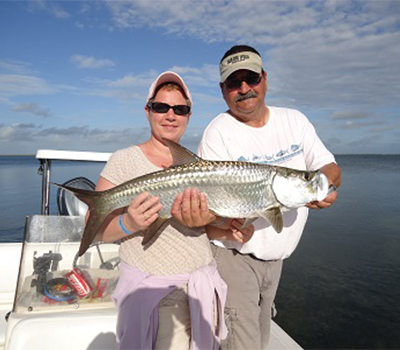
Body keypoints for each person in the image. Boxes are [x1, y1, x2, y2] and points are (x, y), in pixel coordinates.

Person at [175, 45, 341, 350]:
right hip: (235, 258)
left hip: (276, 262)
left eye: (250, 78)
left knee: (262, 339)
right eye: (233, 83)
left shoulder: (295, 120)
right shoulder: (218, 132)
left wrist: (323, 185)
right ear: (223, 90)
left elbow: (328, 167)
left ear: (264, 79)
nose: (244, 89)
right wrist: (219, 220)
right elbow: (216, 212)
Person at [93, 71, 239, 350]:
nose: (170, 115)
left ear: (189, 116)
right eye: (161, 107)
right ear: (147, 111)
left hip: (202, 291)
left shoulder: (202, 165)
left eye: (180, 109)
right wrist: (128, 223)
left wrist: (223, 225)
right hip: (156, 298)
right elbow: (94, 226)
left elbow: (203, 227)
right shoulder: (124, 160)